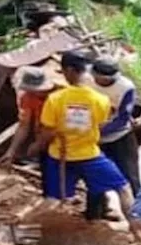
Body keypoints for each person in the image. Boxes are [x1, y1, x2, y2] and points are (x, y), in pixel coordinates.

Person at [29, 52, 134, 217]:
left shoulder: (55, 99)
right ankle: (137, 231)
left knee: (53, 200)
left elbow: (48, 131)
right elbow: (100, 123)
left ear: (69, 71)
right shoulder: (100, 100)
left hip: (59, 156)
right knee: (123, 189)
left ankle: (29, 227)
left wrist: (36, 146)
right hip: (89, 155)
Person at [86, 58, 140, 219]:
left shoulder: (125, 87)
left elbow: (123, 117)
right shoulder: (87, 83)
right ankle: (95, 213)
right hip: (94, 137)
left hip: (120, 137)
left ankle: (140, 214)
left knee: (130, 176)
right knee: (94, 177)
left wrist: (100, 131)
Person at [1, 67, 57, 165]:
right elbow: (24, 125)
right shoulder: (28, 97)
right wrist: (11, 151)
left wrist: (38, 144)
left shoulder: (60, 97)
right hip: (41, 137)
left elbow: (54, 129)